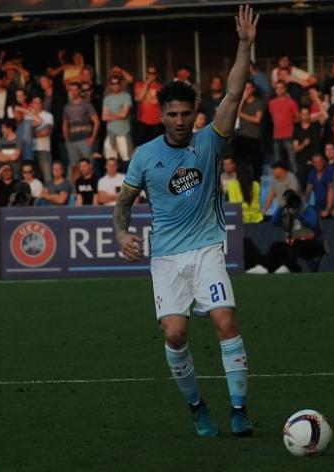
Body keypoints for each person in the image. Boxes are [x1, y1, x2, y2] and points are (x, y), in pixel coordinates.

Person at [113, 5, 258, 439]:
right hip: (166, 258)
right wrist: (121, 231)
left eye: (185, 114)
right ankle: (198, 406)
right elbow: (124, 201)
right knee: (175, 334)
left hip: (207, 247)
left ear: (196, 112)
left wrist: (245, 44)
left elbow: (233, 94)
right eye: (171, 115)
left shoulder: (210, 143)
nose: (179, 121)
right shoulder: (145, 155)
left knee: (225, 321)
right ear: (161, 116)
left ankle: (238, 410)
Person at [63, 82, 100, 179]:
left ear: (79, 90)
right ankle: (76, 191)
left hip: (85, 139)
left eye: (75, 89)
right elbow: (65, 124)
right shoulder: (67, 107)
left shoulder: (87, 105)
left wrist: (92, 137)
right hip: (72, 140)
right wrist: (67, 140)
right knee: (74, 167)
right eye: (71, 90)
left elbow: (96, 121)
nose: (73, 92)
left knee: (88, 165)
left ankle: (91, 187)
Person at [235, 81, 264, 180]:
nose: (246, 90)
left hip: (253, 137)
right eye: (245, 88)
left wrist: (242, 114)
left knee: (255, 163)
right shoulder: (241, 103)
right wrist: (243, 99)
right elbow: (235, 113)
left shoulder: (258, 102)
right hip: (240, 136)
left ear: (253, 89)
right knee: (241, 163)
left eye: (248, 88)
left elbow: (257, 119)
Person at [268, 81, 299, 172]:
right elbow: (272, 117)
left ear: (285, 89)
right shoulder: (272, 103)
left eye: (281, 88)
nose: (279, 90)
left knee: (292, 160)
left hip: (288, 135)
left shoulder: (292, 103)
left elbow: (298, 118)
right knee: (278, 161)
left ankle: (295, 182)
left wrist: (289, 121)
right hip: (276, 135)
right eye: (277, 88)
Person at [102, 76, 133, 163]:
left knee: (126, 159)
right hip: (110, 132)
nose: (115, 85)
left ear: (120, 84)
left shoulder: (126, 96)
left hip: (123, 133)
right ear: (110, 85)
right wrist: (119, 113)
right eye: (113, 83)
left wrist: (111, 115)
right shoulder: (107, 99)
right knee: (111, 160)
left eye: (117, 83)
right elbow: (104, 117)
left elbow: (124, 115)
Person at [133, 65, 163, 145]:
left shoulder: (160, 87)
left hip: (156, 121)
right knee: (141, 145)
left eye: (153, 73)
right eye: (149, 73)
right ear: (146, 74)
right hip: (142, 120)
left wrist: (146, 98)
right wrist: (146, 84)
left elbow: (157, 101)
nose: (151, 75)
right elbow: (139, 98)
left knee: (156, 145)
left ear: (156, 74)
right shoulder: (139, 85)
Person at [292, 106, 321, 185]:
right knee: (302, 187)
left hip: (315, 163)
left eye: (307, 114)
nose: (305, 116)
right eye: (303, 114)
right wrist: (303, 145)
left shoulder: (316, 126)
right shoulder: (297, 129)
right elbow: (295, 149)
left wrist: (317, 100)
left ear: (309, 115)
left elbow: (325, 116)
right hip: (302, 163)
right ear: (300, 115)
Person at [304, 152, 334, 218]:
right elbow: (308, 191)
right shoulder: (312, 173)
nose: (318, 164)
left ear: (323, 162)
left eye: (319, 161)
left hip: (332, 206)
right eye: (315, 162)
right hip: (318, 206)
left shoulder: (329, 170)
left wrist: (327, 209)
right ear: (313, 163)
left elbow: (331, 191)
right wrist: (304, 207)